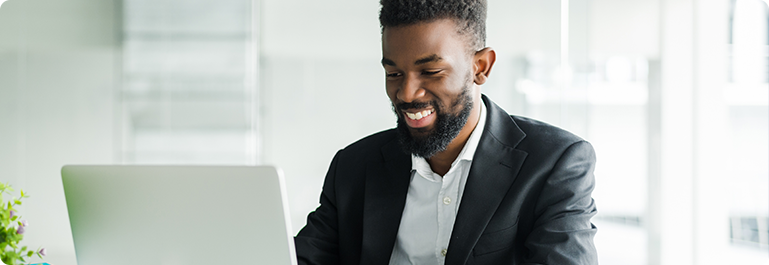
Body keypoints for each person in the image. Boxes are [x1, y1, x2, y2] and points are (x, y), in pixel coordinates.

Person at [294, 0, 598, 264]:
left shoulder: (555, 163)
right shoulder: (354, 166)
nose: (407, 93)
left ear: (480, 67)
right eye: (394, 74)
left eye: (431, 72)